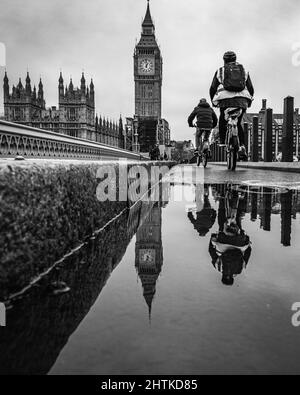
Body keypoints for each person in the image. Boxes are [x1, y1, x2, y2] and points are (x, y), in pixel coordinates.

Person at [209, 51, 254, 159]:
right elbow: (251, 88)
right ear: (235, 59)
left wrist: (213, 101)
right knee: (238, 123)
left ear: (224, 60)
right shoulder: (244, 70)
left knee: (222, 119)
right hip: (242, 100)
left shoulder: (220, 71)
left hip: (225, 101)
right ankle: (242, 146)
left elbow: (212, 88)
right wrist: (249, 100)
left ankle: (223, 140)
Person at [208, 184, 252, 286]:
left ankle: (240, 196)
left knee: (238, 221)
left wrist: (247, 242)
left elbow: (248, 252)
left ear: (233, 278)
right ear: (222, 277)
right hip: (223, 239)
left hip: (239, 241)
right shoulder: (219, 268)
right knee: (221, 219)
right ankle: (223, 198)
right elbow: (211, 251)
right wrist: (213, 238)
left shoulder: (240, 269)